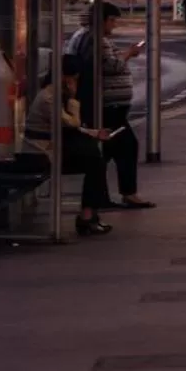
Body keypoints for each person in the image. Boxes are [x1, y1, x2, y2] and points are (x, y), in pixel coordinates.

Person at [66, 3, 154, 210]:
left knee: (105, 151)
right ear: (101, 20)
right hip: (107, 105)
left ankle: (98, 197)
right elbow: (110, 66)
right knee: (127, 146)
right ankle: (127, 194)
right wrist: (129, 53)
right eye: (112, 20)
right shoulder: (96, 39)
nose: (114, 25)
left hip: (103, 104)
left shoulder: (84, 36)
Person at [23, 55, 112, 237]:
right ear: (65, 77)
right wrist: (73, 98)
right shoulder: (49, 98)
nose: (74, 83)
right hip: (40, 154)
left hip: (48, 149)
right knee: (95, 162)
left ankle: (90, 214)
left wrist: (95, 133)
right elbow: (71, 122)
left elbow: (70, 126)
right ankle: (88, 216)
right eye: (73, 79)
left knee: (94, 158)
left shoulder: (53, 95)